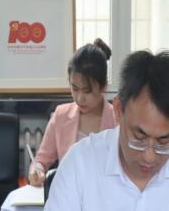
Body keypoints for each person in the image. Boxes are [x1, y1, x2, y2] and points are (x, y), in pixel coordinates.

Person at [28, 50, 169, 211]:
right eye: (139, 137)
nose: (149, 156)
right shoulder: (83, 160)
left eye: (163, 142)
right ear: (118, 110)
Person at [29, 39, 117, 186]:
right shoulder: (61, 116)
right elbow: (41, 161)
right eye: (75, 89)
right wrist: (36, 170)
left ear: (103, 87)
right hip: (68, 194)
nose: (80, 98)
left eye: (87, 91)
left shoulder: (118, 120)